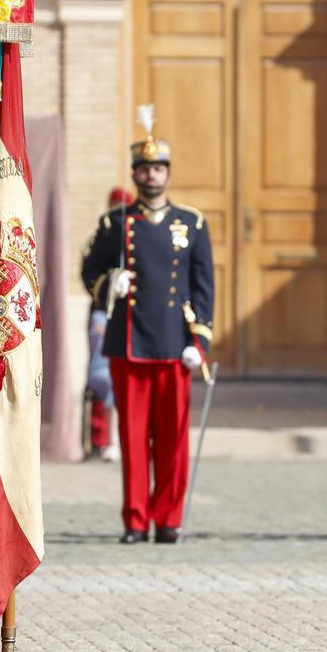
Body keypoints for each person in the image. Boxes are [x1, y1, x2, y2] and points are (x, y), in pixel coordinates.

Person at [81, 106, 214, 545]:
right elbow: (89, 273)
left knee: (172, 441)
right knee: (133, 440)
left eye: (158, 168)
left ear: (167, 174)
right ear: (135, 175)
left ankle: (168, 518)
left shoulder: (192, 223)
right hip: (130, 343)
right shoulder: (114, 223)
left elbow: (203, 286)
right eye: (144, 169)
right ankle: (136, 520)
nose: (151, 175)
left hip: (176, 343)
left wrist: (201, 340)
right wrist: (108, 284)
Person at [85, 186, 132, 462]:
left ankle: (116, 438)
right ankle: (101, 438)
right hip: (103, 313)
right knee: (101, 376)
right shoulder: (100, 235)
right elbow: (90, 274)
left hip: (126, 315)